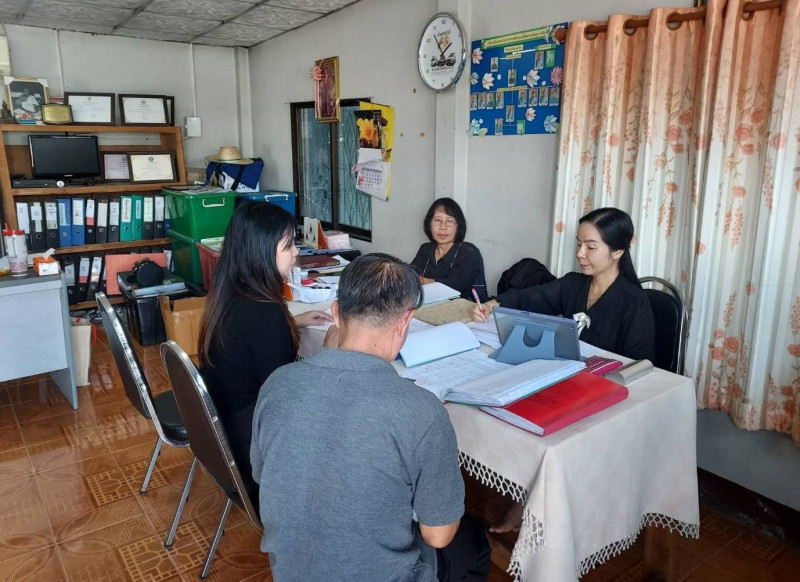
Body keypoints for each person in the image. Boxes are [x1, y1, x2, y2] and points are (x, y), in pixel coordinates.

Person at [251, 253, 491, 581]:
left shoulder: (277, 382)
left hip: (291, 572)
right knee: (473, 541)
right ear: (405, 321)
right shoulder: (423, 410)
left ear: (336, 313)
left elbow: (262, 474)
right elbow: (438, 536)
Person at [197, 202, 331, 503]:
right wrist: (334, 352)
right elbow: (285, 399)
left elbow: (250, 338)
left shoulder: (231, 293)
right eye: (288, 245)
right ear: (261, 251)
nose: (296, 252)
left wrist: (291, 322)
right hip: (255, 454)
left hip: (226, 434)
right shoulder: (265, 313)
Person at [472, 207, 655, 362]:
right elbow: (529, 298)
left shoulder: (634, 303)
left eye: (591, 247)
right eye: (579, 244)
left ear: (617, 252)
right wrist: (490, 305)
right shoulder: (573, 284)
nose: (580, 253)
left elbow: (638, 366)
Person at [410, 197, 487, 302]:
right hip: (429, 305)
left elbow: (456, 286)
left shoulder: (468, 253)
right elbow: (411, 273)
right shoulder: (425, 249)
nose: (443, 227)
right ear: (429, 224)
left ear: (458, 226)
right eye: (437, 220)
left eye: (449, 221)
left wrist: (423, 281)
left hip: (464, 308)